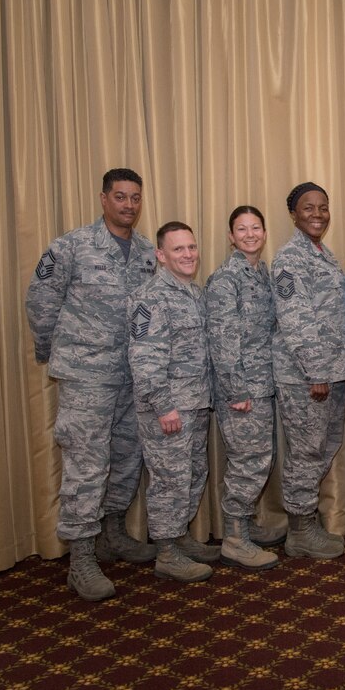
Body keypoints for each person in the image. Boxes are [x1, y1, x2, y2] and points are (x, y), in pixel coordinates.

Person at [25, 168, 158, 601]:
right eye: (120, 197)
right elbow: (41, 300)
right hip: (86, 375)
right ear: (103, 199)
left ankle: (113, 533)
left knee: (125, 454)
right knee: (86, 463)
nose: (128, 205)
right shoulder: (72, 245)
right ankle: (81, 558)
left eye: (135, 198)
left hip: (131, 375)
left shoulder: (144, 251)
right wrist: (55, 351)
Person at [128, 222, 218, 583]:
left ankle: (179, 538)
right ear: (160, 256)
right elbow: (145, 359)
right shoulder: (149, 297)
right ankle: (166, 552)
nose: (188, 255)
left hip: (195, 403)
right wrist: (164, 406)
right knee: (170, 479)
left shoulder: (193, 293)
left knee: (194, 473)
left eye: (192, 248)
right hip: (168, 409)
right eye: (178, 249)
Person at [272, 182, 345, 559]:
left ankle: (306, 521)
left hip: (332, 374)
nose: (318, 214)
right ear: (293, 213)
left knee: (323, 447)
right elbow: (297, 321)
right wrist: (316, 372)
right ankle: (300, 530)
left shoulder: (322, 253)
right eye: (308, 208)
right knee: (306, 452)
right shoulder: (290, 258)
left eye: (323, 207)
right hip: (307, 378)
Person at [205, 206, 280, 571]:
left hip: (263, 385)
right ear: (231, 236)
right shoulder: (225, 280)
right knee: (248, 462)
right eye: (241, 229)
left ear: (264, 233)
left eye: (256, 227)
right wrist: (237, 393)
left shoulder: (262, 275)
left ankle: (244, 526)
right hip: (242, 391)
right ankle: (235, 539)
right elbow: (223, 342)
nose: (250, 234)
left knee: (258, 458)